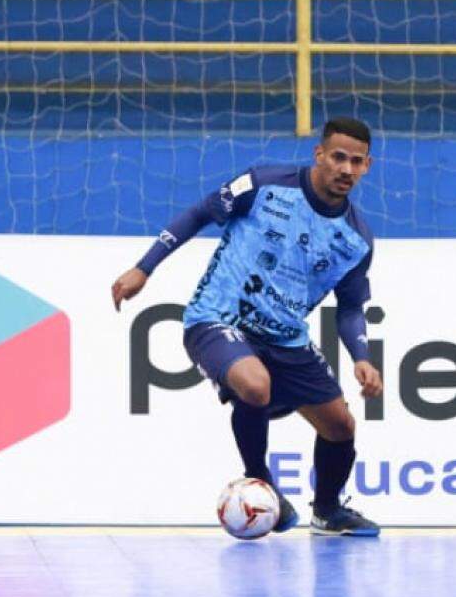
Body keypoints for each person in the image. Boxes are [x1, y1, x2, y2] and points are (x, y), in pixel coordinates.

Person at [111, 117, 383, 536]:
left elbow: (349, 309)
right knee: (255, 385)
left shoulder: (356, 239)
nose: (346, 169)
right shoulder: (263, 184)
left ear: (367, 166)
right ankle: (262, 483)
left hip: (287, 337)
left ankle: (328, 510)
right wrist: (143, 268)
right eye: (338, 158)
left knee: (341, 426)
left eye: (357, 162)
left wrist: (362, 359)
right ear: (320, 155)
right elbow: (200, 212)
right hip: (217, 318)